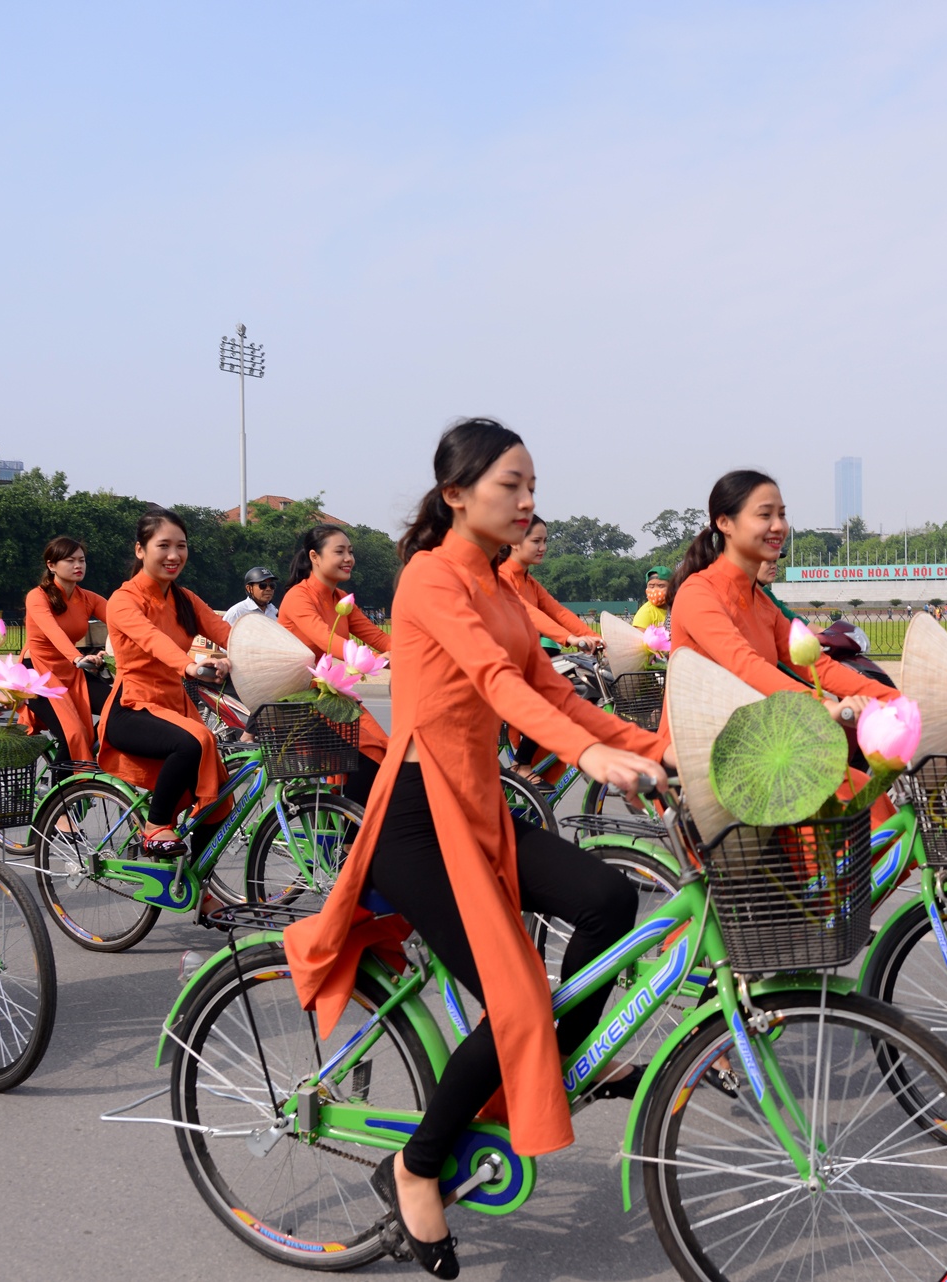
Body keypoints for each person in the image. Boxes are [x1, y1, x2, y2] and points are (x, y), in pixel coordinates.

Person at [283, 419, 671, 1277]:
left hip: (483, 809)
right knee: (520, 1001)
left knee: (609, 899)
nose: (528, 501)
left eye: (532, 484)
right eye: (511, 484)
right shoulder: (429, 580)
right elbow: (495, 683)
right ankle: (417, 1170)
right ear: (456, 494)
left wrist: (646, 747)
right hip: (420, 822)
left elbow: (549, 693)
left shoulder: (500, 588)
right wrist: (586, 758)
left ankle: (542, 1071)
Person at [666, 470, 891, 720]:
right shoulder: (698, 593)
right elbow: (745, 665)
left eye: (781, 515)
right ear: (725, 523)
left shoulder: (763, 602)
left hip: (762, 739)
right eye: (765, 515)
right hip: (699, 748)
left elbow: (816, 666)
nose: (778, 526)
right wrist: (824, 707)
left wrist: (892, 697)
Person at [98, 507, 234, 861]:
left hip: (175, 707)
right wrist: (190, 666)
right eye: (164, 546)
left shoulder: (184, 599)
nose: (174, 555)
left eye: (182, 546)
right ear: (140, 550)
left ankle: (203, 893)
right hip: (133, 708)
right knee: (195, 742)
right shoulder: (124, 600)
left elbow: (228, 633)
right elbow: (152, 639)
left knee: (220, 798)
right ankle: (155, 826)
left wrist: (276, 657)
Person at [278, 523, 389, 805]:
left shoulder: (341, 599)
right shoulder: (298, 596)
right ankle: (352, 842)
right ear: (315, 557)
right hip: (304, 699)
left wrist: (419, 652)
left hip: (333, 695)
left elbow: (378, 636)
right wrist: (378, 661)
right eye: (339, 551)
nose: (348, 558)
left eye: (350, 552)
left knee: (386, 751)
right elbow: (327, 640)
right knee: (373, 752)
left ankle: (350, 831)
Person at [22, 536, 110, 763]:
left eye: (82, 560)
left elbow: (124, 623)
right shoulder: (37, 596)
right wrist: (76, 657)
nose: (78, 566)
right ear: (51, 565)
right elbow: (53, 631)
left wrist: (110, 652)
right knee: (73, 736)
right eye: (70, 561)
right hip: (37, 675)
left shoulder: (87, 598)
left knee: (122, 703)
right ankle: (59, 797)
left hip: (71, 671)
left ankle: (89, 750)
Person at [498, 515, 603, 653]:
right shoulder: (499, 578)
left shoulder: (530, 582)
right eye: (536, 541)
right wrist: (569, 638)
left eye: (545, 541)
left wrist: (598, 639)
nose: (543, 548)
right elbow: (526, 611)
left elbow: (559, 612)